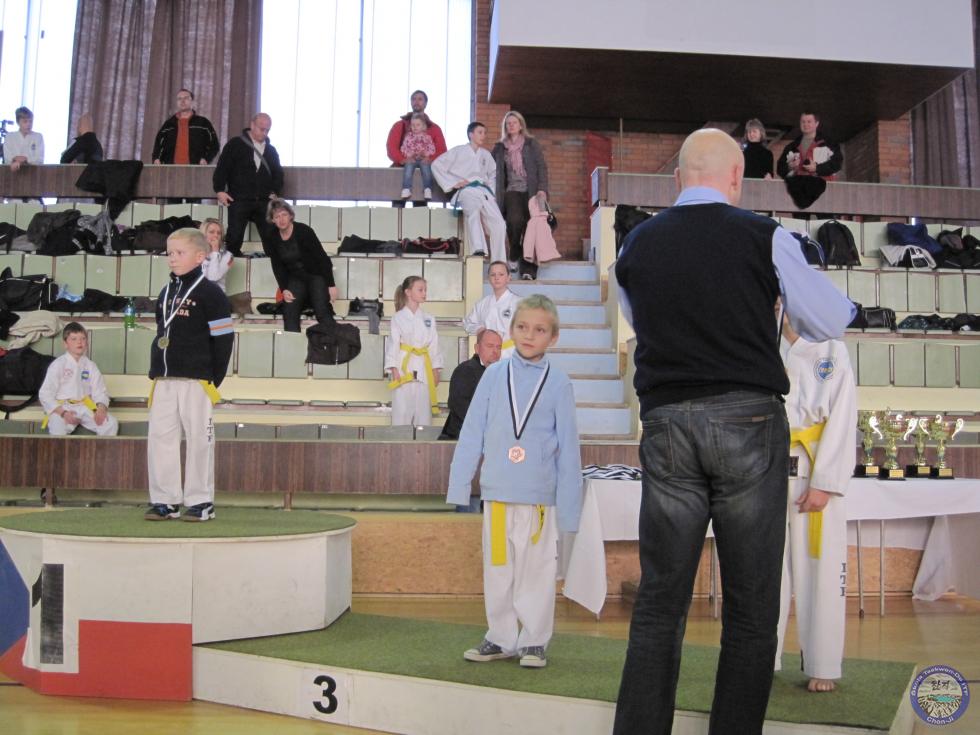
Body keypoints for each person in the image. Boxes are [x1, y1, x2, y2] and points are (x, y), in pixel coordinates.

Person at [613, 128, 855, 734]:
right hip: (747, 420)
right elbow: (829, 320)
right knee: (750, 608)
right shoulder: (764, 235)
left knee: (659, 603)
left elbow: (640, 320)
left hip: (668, 422)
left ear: (677, 180)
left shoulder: (636, 244)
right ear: (736, 179)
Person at [447, 294, 582, 669]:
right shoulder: (493, 376)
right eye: (522, 327)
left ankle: (534, 640)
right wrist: (460, 486)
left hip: (539, 497)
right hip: (498, 492)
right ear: (511, 330)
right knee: (498, 568)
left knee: (536, 571)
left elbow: (569, 449)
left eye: (539, 330)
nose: (529, 335)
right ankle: (500, 637)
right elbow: (472, 432)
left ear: (553, 337)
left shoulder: (559, 384)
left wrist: (570, 510)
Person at [775, 306, 856, 694]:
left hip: (814, 466)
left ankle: (823, 662)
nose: (780, 306)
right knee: (763, 572)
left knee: (821, 573)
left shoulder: (833, 351)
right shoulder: (759, 344)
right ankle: (760, 658)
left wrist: (825, 482)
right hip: (767, 467)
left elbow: (843, 417)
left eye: (785, 299)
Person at [145, 228, 234, 522]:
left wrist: (213, 377)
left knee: (199, 440)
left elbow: (224, 339)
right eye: (169, 253)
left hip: (197, 379)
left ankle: (200, 501)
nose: (172, 258)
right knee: (161, 439)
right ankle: (165, 500)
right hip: (164, 379)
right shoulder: (166, 292)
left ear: (200, 256)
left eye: (179, 253)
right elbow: (162, 331)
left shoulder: (212, 294)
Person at [431, 122, 506, 262]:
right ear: (471, 134)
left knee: (500, 223)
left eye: (484, 133)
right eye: (480, 132)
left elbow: (493, 174)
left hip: (484, 191)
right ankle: (478, 249)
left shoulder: (486, 155)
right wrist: (453, 183)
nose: (483, 136)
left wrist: (492, 192)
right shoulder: (458, 151)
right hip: (466, 190)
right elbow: (436, 165)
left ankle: (499, 260)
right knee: (473, 211)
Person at [212, 113, 283, 257]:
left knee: (271, 237)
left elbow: (278, 173)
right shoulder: (235, 144)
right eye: (262, 129)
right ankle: (230, 266)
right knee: (234, 237)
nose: (264, 133)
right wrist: (219, 190)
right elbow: (222, 168)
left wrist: (275, 191)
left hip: (263, 200)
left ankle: (273, 265)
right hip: (239, 198)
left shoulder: (271, 150)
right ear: (252, 125)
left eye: (267, 130)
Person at [491, 111, 550, 279]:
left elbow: (541, 167)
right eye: (508, 123)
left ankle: (528, 270)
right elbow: (490, 169)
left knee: (533, 229)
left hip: (532, 191)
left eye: (514, 122)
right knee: (514, 221)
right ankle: (515, 251)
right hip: (511, 190)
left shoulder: (531, 144)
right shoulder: (499, 147)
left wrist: (542, 188)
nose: (511, 125)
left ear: (520, 125)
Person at [264, 199, 337, 333]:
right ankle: (292, 344)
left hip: (315, 275)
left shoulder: (304, 231)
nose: (281, 219)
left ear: (291, 215)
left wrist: (331, 285)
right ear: (272, 220)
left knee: (322, 311)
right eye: (277, 216)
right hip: (296, 278)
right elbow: (277, 265)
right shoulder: (272, 237)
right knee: (289, 311)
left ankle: (334, 341)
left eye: (284, 214)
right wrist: (284, 288)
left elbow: (322, 259)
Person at [38, 322, 118, 437]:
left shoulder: (90, 366)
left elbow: (100, 391)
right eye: (74, 339)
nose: (79, 342)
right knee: (57, 428)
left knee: (110, 423)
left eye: (83, 338)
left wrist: (101, 409)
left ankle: (101, 449)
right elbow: (45, 394)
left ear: (87, 343)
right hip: (63, 407)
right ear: (65, 344)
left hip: (85, 406)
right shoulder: (58, 364)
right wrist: (63, 413)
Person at [385, 276, 442, 427]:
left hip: (424, 368)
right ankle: (399, 440)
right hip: (404, 369)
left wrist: (436, 369)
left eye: (425, 290)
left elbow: (434, 345)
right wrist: (393, 369)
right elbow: (393, 344)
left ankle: (422, 440)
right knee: (401, 414)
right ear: (408, 292)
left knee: (423, 415)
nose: (424, 293)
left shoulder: (429, 318)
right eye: (420, 290)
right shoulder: (397, 318)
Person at [438, 328, 502, 440]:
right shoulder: (465, 370)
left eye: (498, 347)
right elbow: (459, 406)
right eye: (490, 346)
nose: (495, 351)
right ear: (477, 348)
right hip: (461, 439)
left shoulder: (501, 374)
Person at [776, 112, 844, 210]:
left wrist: (817, 168)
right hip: (799, 195)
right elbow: (780, 169)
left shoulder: (829, 144)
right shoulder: (792, 146)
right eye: (803, 122)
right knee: (800, 219)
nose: (805, 124)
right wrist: (790, 166)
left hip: (823, 195)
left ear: (816, 123)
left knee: (824, 219)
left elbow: (837, 163)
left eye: (809, 121)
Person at [462, 261, 519, 358]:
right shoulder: (482, 304)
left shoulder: (518, 303)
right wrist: (479, 329)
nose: (496, 278)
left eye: (501, 274)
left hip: (510, 353)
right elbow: (468, 323)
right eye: (493, 275)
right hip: (486, 356)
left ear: (509, 277)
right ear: (488, 278)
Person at [151, 89, 219, 165]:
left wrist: (206, 159)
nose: (182, 101)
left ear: (192, 102)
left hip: (195, 169)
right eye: (179, 99)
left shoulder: (203, 123)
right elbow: (158, 144)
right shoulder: (168, 124)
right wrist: (156, 158)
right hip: (170, 169)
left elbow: (214, 145)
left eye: (186, 98)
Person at [386, 89, 447, 168]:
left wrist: (429, 159)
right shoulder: (399, 125)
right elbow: (391, 148)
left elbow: (442, 151)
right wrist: (403, 159)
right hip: (402, 168)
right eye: (413, 99)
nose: (416, 101)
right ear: (411, 102)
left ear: (426, 103)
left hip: (427, 168)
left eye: (420, 99)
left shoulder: (435, 128)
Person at [399, 113, 436, 200]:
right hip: (412, 159)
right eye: (413, 125)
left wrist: (425, 154)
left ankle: (427, 189)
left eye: (418, 125)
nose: (415, 127)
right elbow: (403, 148)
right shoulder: (408, 137)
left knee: (426, 169)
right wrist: (409, 154)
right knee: (408, 168)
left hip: (423, 159)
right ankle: (406, 188)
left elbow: (432, 148)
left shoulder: (427, 137)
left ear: (423, 126)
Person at [199, 218, 233, 293]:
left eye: (219, 233)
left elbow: (213, 278)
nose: (216, 235)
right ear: (203, 234)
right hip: (197, 294)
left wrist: (215, 251)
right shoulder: (196, 252)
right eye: (211, 232)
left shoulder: (229, 256)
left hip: (216, 295)